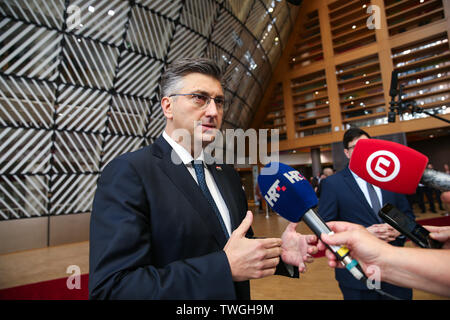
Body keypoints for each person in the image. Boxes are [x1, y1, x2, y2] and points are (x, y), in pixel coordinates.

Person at [89, 58, 318, 300]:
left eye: (218, 101)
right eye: (199, 98)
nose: (213, 111)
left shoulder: (226, 174)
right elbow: (113, 288)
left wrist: (282, 253)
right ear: (167, 106)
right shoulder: (129, 173)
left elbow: (235, 246)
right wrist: (223, 268)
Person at [318, 127, 414, 300]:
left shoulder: (390, 177)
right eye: (356, 147)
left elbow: (408, 216)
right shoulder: (333, 184)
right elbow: (324, 228)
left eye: (367, 145)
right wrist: (363, 234)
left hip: (396, 271)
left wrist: (399, 230)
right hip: (358, 275)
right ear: (347, 153)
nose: (363, 150)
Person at [318, 221, 450, 297]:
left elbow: (406, 216)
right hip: (359, 281)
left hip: (400, 285)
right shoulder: (333, 184)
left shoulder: (393, 178)